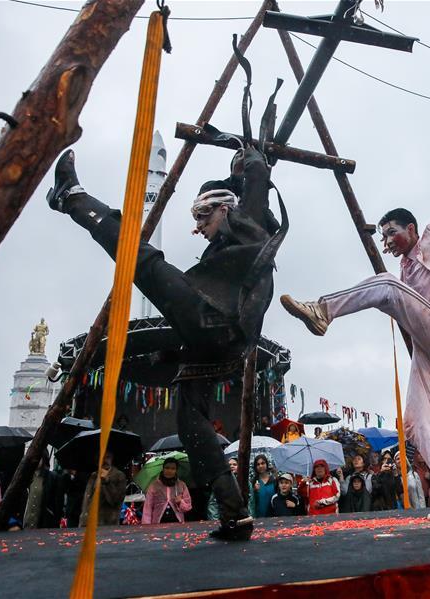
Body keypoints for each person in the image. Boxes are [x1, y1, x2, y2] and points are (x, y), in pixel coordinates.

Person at [46, 138, 285, 541]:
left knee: (141, 259)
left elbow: (257, 179)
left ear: (225, 209)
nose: (198, 226)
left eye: (202, 216)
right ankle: (234, 513)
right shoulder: (225, 248)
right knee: (191, 424)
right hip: (219, 342)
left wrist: (250, 162)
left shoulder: (251, 223)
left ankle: (71, 197)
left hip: (214, 321)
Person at [281, 138, 430, 522]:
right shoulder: (406, 270)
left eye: (392, 233)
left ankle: (323, 310)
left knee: (384, 285)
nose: (388, 242)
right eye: (383, 237)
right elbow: (407, 312)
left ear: (411, 229)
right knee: (414, 422)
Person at [79, 450, 127, 527]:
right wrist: (83, 520)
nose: (105, 460)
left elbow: (116, 501)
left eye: (108, 457)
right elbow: (87, 500)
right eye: (102, 457)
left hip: (107, 525)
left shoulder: (119, 476)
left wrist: (107, 481)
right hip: (88, 524)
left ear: (112, 459)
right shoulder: (94, 475)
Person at [142, 457, 192, 524]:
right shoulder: (154, 486)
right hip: (157, 524)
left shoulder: (181, 485)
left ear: (176, 470)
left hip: (178, 524)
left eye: (173, 468)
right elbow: (148, 507)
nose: (169, 471)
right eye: (167, 468)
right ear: (163, 469)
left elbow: (188, 507)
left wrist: (180, 502)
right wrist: (146, 526)